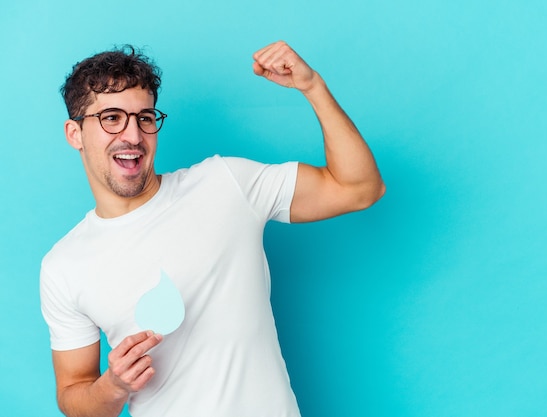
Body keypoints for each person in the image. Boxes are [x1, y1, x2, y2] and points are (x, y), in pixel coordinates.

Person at [40, 40, 385, 417]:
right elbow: (74, 396)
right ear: (75, 134)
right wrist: (113, 386)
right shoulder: (64, 266)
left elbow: (360, 188)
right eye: (111, 118)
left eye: (144, 117)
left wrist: (312, 86)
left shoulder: (225, 184)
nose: (133, 136)